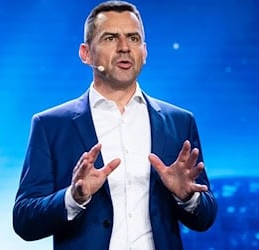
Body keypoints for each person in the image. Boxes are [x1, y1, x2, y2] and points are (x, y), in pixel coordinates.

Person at [12, 1, 217, 249]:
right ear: (86, 53)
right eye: (110, 38)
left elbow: (206, 217)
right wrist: (73, 197)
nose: (124, 48)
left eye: (133, 38)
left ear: (144, 51)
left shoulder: (180, 122)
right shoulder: (51, 125)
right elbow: (24, 220)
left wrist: (187, 196)